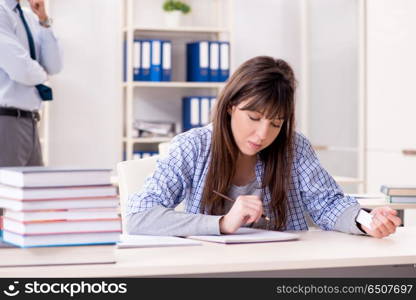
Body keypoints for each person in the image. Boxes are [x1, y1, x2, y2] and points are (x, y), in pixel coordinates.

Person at [126, 56, 401, 238]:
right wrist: (221, 223)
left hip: (281, 271)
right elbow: (138, 216)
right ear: (231, 106)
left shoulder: (293, 146)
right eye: (254, 118)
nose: (262, 134)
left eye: (276, 123)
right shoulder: (192, 147)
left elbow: (327, 204)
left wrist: (366, 221)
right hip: (210, 273)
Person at [0, 0, 62, 167]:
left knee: (35, 191)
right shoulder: (2, 12)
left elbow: (54, 65)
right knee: (6, 191)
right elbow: (21, 69)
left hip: (31, 121)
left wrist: (43, 20)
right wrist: (43, 74)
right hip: (6, 121)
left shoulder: (29, 16)